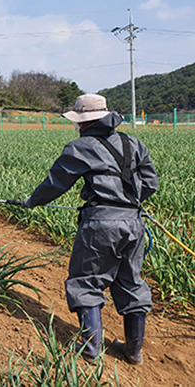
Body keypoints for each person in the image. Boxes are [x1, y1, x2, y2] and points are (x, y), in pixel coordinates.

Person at [21, 93, 158, 364]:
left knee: (86, 281)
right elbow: (150, 183)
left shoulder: (80, 147)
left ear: (84, 122)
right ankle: (134, 351)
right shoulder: (133, 143)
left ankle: (90, 349)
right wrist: (126, 205)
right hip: (133, 224)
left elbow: (55, 183)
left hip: (100, 226)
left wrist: (31, 201)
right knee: (130, 282)